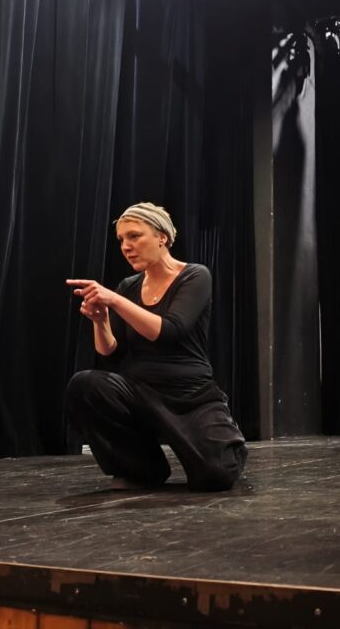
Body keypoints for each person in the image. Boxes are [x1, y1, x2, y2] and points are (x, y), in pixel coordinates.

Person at [65, 202, 247, 491]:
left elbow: (170, 330)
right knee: (86, 384)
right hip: (139, 391)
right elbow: (111, 353)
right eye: (121, 240)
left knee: (216, 475)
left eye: (134, 236)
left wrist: (114, 300)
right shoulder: (129, 286)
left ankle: (219, 442)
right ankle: (143, 468)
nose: (126, 247)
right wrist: (100, 321)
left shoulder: (195, 276)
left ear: (162, 237)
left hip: (189, 395)